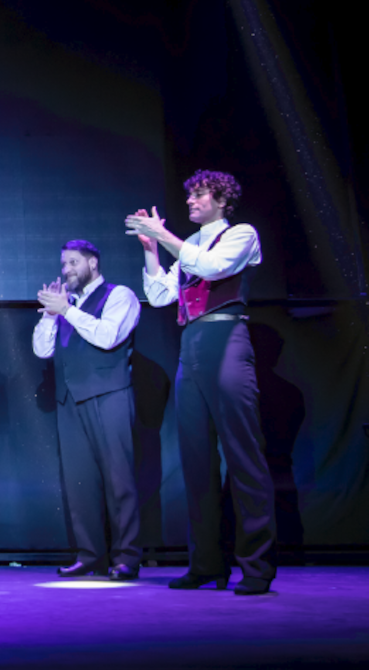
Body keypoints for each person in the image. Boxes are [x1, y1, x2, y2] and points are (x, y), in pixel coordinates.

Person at [125, 170, 276, 595]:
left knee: (243, 457)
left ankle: (257, 567)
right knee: (196, 461)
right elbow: (159, 297)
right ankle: (206, 563)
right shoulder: (188, 245)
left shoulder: (240, 233)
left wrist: (167, 235)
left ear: (222, 200)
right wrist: (152, 249)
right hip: (191, 345)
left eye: (200, 194)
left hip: (226, 339)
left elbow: (215, 267)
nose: (191, 200)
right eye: (189, 194)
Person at [32, 240, 142, 581]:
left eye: (73, 262)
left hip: (109, 396)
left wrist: (66, 311)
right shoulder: (69, 305)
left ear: (93, 263)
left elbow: (108, 336)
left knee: (118, 479)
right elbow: (41, 350)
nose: (66, 270)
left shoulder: (119, 295)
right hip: (70, 401)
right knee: (80, 485)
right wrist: (52, 316)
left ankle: (126, 557)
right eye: (64, 264)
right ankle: (91, 555)